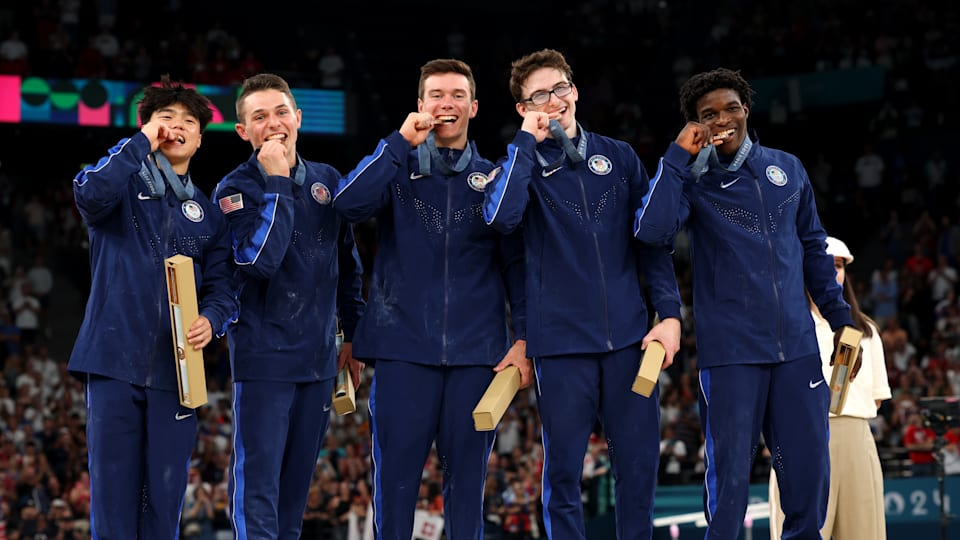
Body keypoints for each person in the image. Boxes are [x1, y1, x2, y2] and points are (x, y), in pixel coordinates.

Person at [633, 67, 860, 539]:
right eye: (708, 114)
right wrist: (678, 158)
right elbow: (651, 233)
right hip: (731, 354)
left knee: (807, 476)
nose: (723, 119)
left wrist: (842, 320)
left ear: (746, 109)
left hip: (797, 351)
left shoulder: (786, 168)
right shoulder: (693, 183)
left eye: (730, 108)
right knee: (731, 483)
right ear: (696, 124)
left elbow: (814, 247)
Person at [482, 48, 682, 539]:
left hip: (629, 341)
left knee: (637, 474)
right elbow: (502, 219)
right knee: (564, 475)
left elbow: (651, 244)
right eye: (540, 96)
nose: (555, 101)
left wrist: (670, 312)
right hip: (561, 346)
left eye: (561, 88)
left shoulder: (618, 157)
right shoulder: (518, 168)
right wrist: (525, 146)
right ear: (523, 109)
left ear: (575, 89)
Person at [333, 58, 528, 540]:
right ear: (420, 105)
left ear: (474, 107)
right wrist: (399, 143)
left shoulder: (496, 178)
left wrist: (524, 339)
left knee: (467, 492)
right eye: (436, 95)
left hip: (477, 357)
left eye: (458, 95)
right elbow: (347, 205)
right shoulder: (396, 169)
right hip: (402, 353)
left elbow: (518, 269)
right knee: (394, 488)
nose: (447, 104)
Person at [69, 75, 237, 539]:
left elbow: (224, 287)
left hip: (177, 373)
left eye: (187, 121)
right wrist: (139, 144)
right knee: (113, 497)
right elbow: (89, 194)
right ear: (146, 127)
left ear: (200, 140)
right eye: (165, 118)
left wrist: (212, 318)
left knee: (164, 501)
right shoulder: (118, 191)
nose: (176, 127)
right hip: (112, 362)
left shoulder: (210, 216)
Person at [212, 73, 365, 539]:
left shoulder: (328, 181)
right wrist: (277, 182)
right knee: (258, 491)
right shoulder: (232, 191)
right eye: (259, 116)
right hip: (264, 362)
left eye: (281, 112)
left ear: (298, 118)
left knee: (294, 497)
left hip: (318, 362)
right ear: (243, 132)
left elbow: (348, 266)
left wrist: (355, 337)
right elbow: (261, 261)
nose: (273, 123)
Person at [768, 236, 892, 539]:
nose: (833, 272)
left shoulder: (866, 331)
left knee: (863, 532)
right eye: (826, 265)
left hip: (854, 437)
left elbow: (876, 400)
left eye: (838, 266)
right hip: (799, 436)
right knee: (799, 530)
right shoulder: (782, 327)